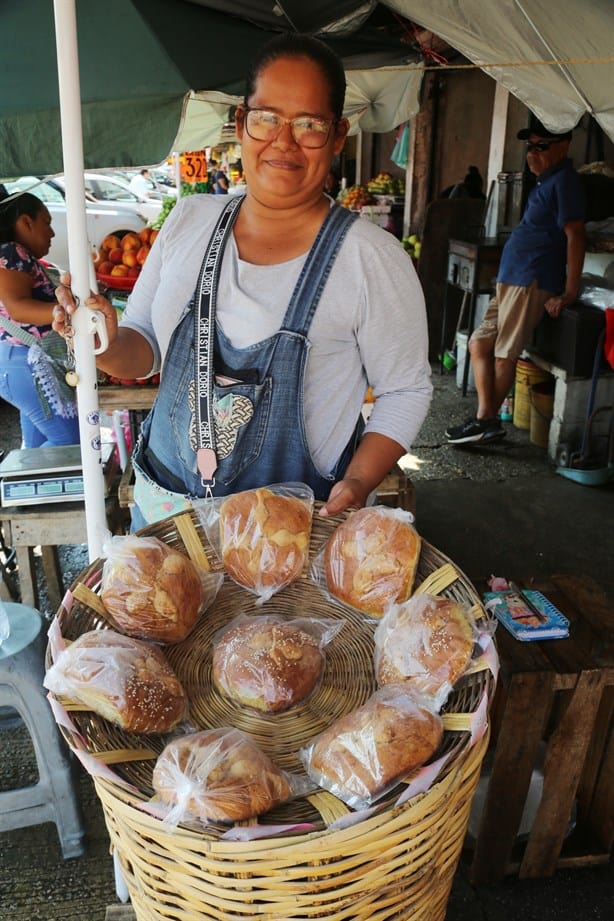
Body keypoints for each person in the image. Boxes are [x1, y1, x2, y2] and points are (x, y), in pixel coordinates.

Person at [54, 32, 432, 528]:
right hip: (172, 519)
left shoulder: (370, 259)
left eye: (310, 124)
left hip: (291, 534)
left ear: (338, 136)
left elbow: (405, 390)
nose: (284, 141)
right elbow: (144, 347)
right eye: (266, 118)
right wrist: (102, 340)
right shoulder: (189, 220)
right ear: (241, 123)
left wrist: (358, 482)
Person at [445, 120, 585, 445]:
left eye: (542, 146)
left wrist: (569, 292)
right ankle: (485, 418)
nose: (533, 154)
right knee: (479, 343)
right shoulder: (544, 183)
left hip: (530, 278)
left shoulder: (564, 181)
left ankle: (484, 420)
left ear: (563, 146)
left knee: (504, 353)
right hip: (511, 277)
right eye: (530, 147)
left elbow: (575, 234)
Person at [0, 192, 79, 447]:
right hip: (24, 364)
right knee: (70, 444)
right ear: (26, 222)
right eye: (46, 222)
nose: (52, 233)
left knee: (37, 450)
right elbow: (18, 309)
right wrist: (69, 310)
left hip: (20, 363)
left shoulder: (17, 254)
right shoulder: (13, 252)